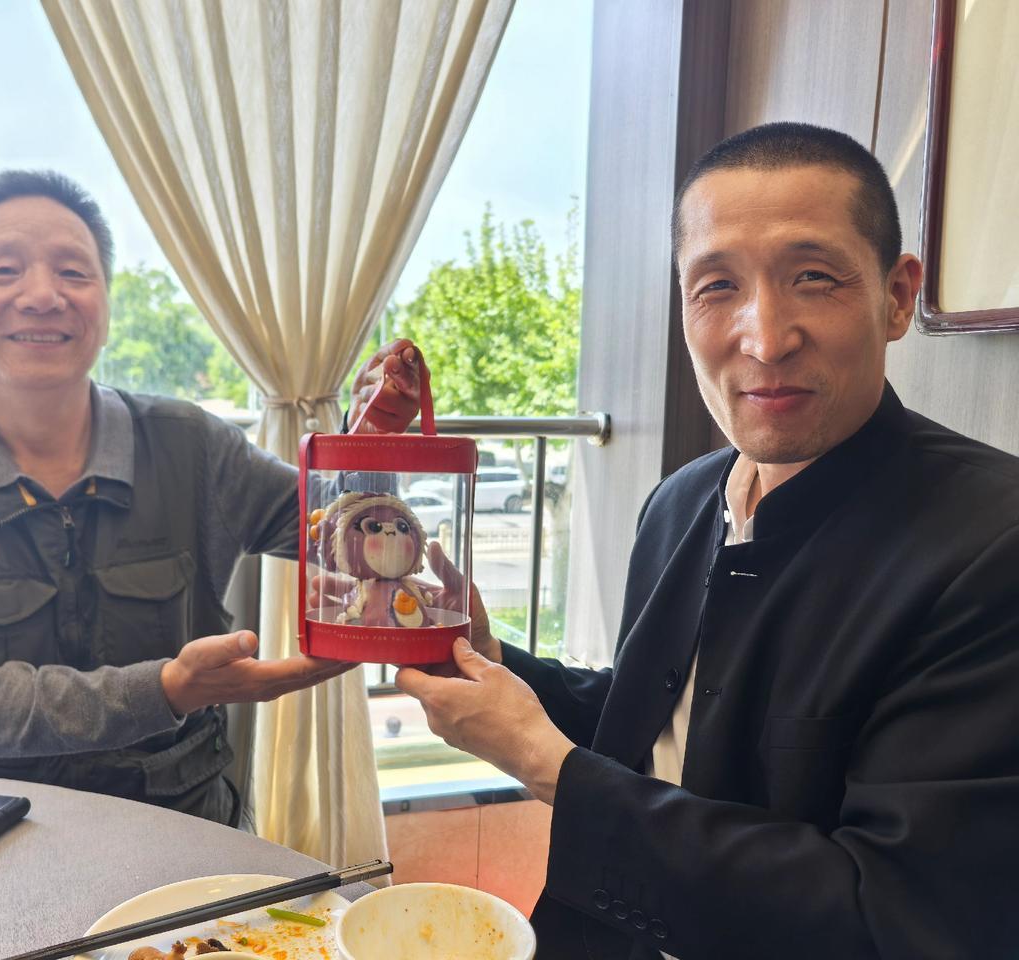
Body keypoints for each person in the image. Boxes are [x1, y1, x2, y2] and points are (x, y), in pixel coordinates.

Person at [396, 122, 1019, 958]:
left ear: (898, 296)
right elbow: (653, 722)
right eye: (717, 286)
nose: (765, 338)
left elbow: (896, 917)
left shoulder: (990, 544)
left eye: (813, 278)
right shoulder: (683, 500)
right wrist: (494, 661)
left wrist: (551, 768)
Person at [0, 170, 422, 826]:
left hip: (176, 816)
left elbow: (347, 544)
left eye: (73, 272)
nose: (42, 295)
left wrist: (372, 445)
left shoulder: (192, 445)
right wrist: (169, 689)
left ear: (106, 308)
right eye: (3, 270)